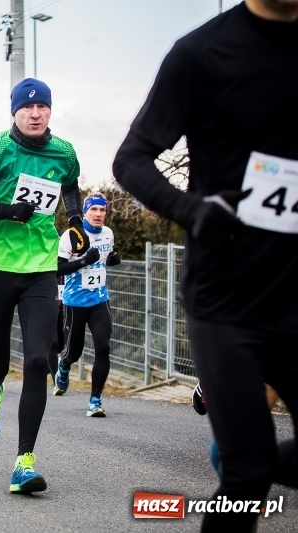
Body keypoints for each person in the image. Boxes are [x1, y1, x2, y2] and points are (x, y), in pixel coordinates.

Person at [112, 1, 298, 529]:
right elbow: (131, 158)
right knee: (247, 477)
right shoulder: (200, 53)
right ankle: (247, 461)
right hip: (226, 299)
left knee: (254, 465)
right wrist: (190, 209)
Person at [0, 78, 89, 494]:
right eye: (27, 108)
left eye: (42, 107)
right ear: (14, 111)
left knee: (37, 363)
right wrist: (8, 212)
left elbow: (71, 187)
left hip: (41, 271)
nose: (35, 113)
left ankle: (24, 461)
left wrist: (77, 221)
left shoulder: (63, 151)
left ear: (49, 111)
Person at [53, 192, 121, 416]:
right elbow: (58, 269)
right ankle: (63, 367)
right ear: (84, 212)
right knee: (74, 352)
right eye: (94, 209)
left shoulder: (108, 234)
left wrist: (111, 260)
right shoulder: (71, 236)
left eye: (102, 210)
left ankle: (95, 400)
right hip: (75, 303)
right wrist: (83, 261)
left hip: (100, 300)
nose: (98, 214)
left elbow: (103, 261)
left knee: (103, 347)